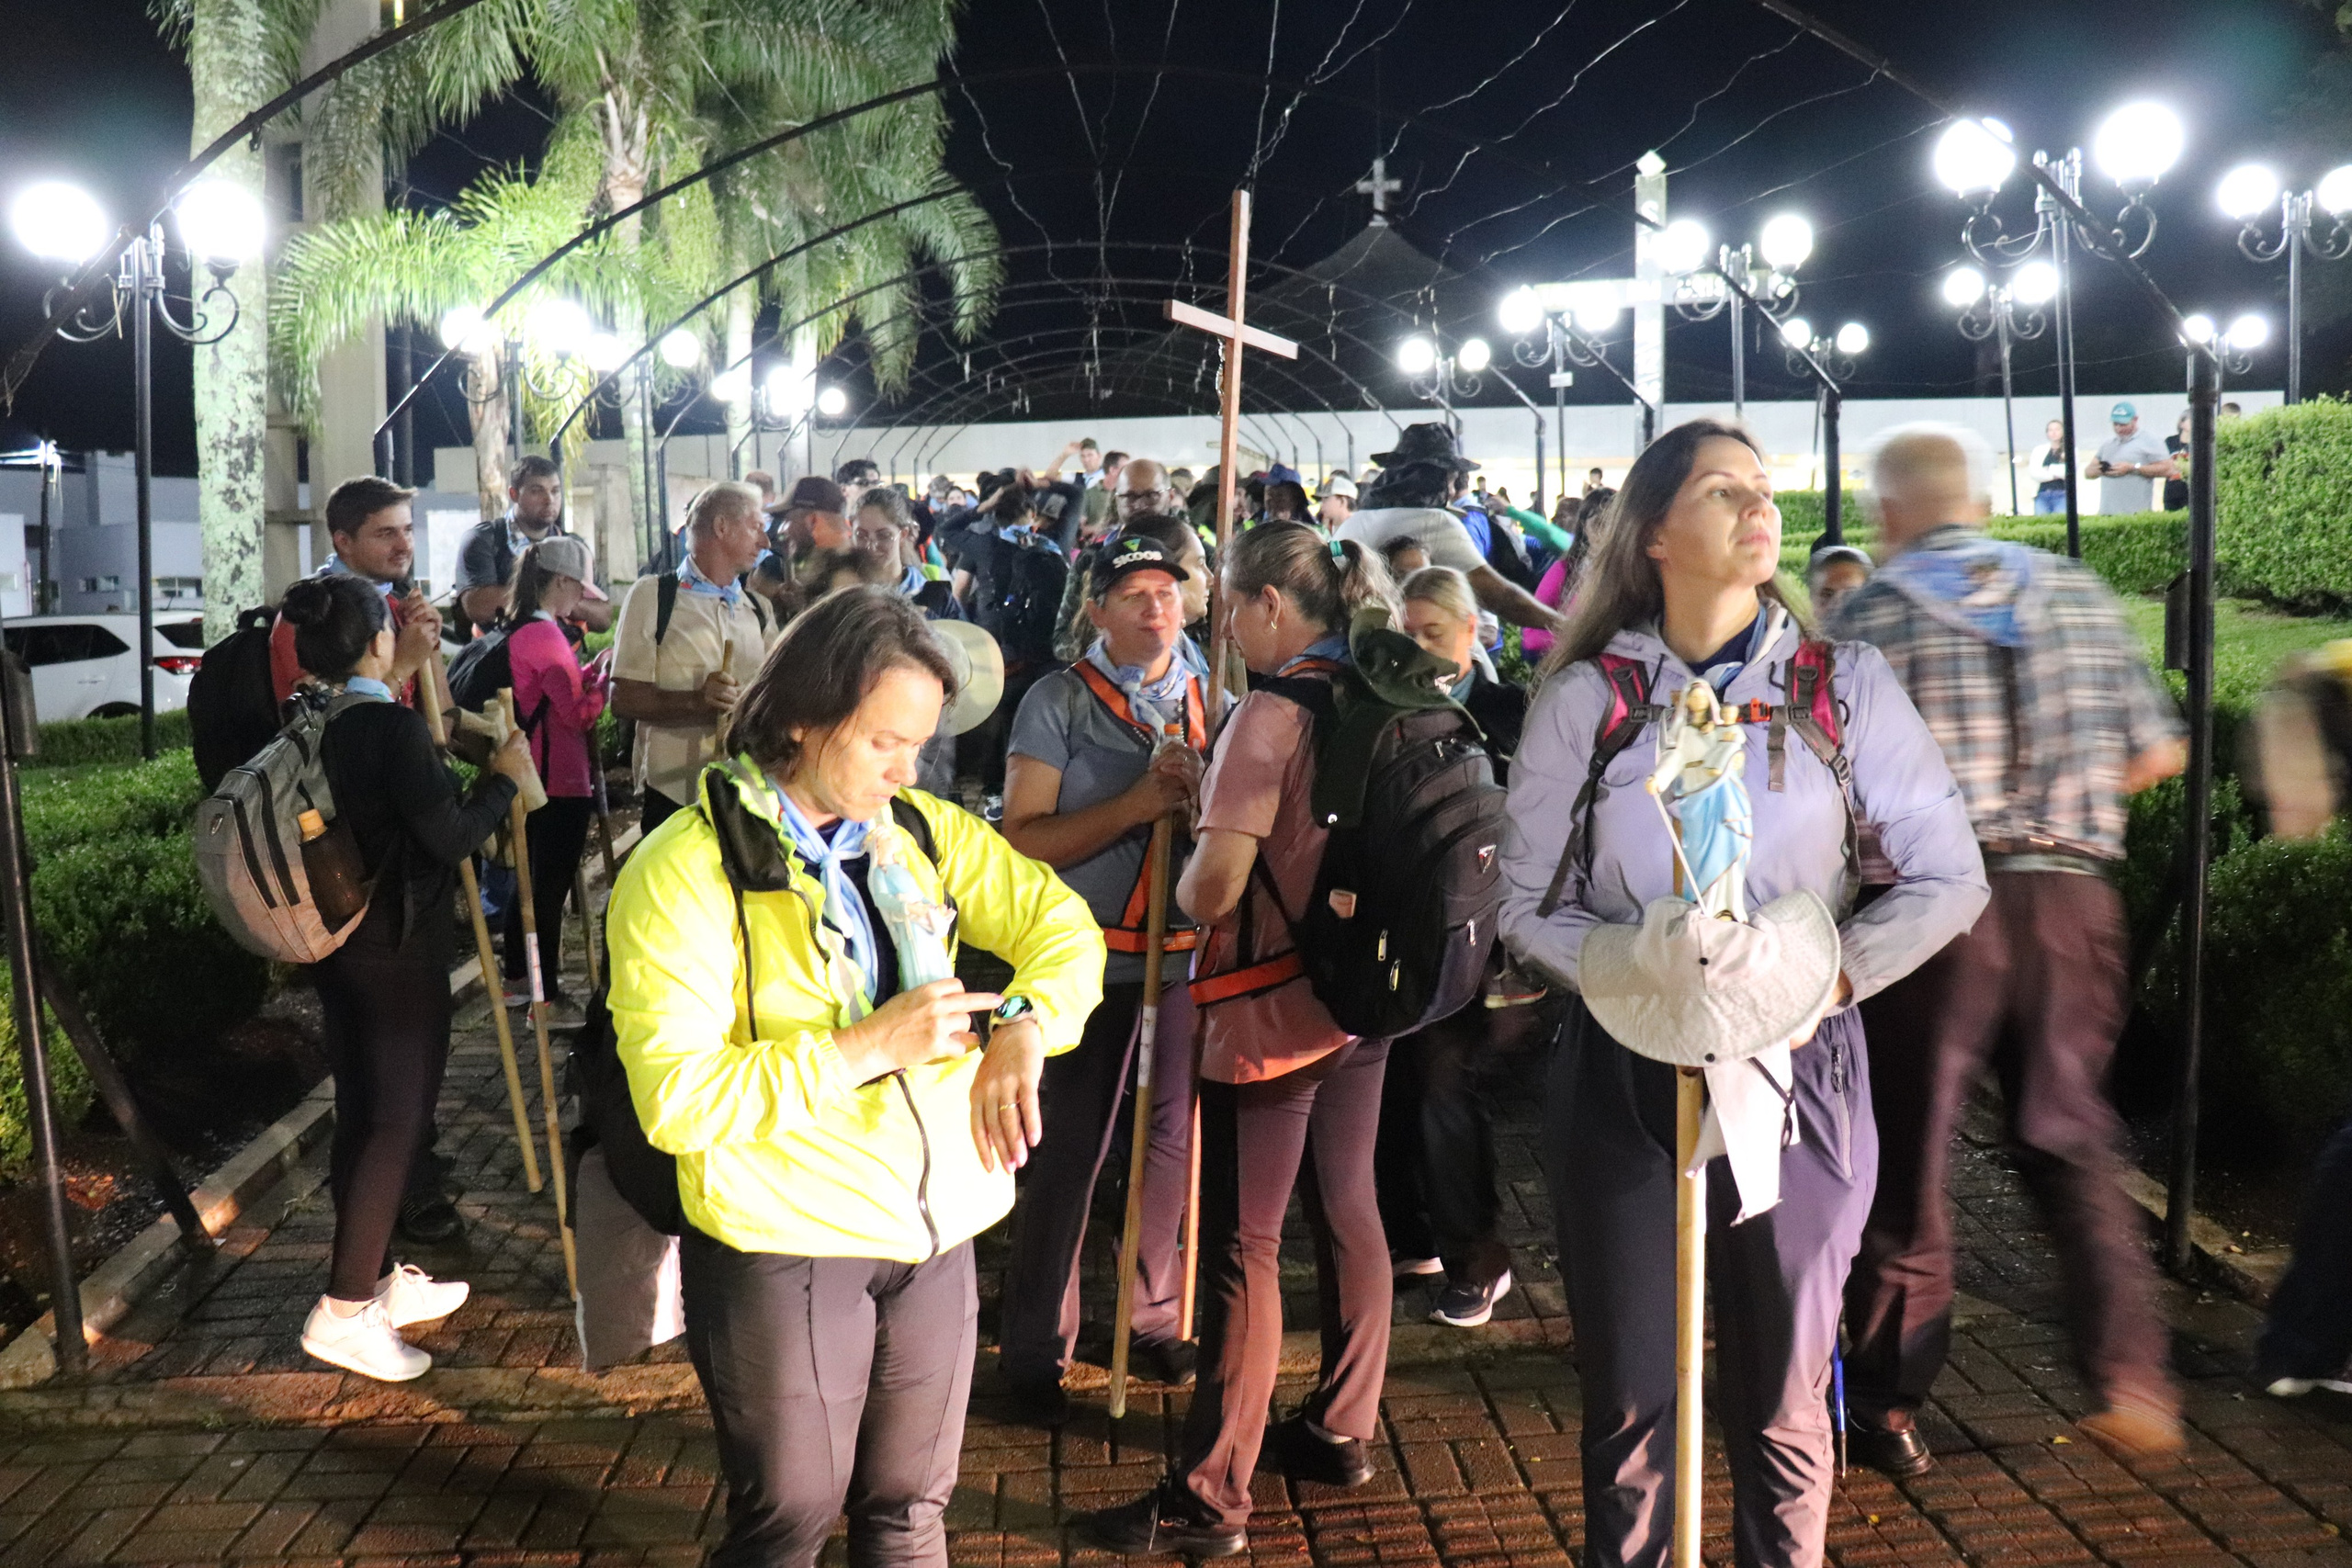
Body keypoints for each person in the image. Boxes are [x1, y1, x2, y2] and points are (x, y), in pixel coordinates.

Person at [1501, 419, 1986, 1568]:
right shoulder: (1590, 700)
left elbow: (1947, 873)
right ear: (1656, 533)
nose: (1758, 510)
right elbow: (1525, 903)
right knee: (1632, 1391)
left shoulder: (1841, 686)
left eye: (1763, 490)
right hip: (1626, 1063)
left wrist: (1828, 976)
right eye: (1723, 492)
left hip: (1799, 1070)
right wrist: (1632, 969)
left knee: (1781, 1391)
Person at [608, 586, 1101, 1568]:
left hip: (938, 1227)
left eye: (917, 744)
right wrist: (870, 1046)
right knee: (788, 1519)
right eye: (883, 741)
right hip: (782, 1234)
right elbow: (678, 1100)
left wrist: (1021, 1025)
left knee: (910, 1508)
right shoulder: (684, 871)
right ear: (801, 714)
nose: (908, 770)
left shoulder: (921, 830)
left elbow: (1060, 928)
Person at [1832, 424, 2190, 1467]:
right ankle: (2131, 1382)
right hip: (2073, 901)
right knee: (2069, 1139)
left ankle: (1887, 1403)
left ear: (1890, 512)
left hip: (1937, 915)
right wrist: (2061, 806)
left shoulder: (1874, 610)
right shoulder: (2074, 590)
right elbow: (2160, 750)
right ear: (1977, 501)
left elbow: (1836, 780)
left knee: (1908, 1152)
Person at [1087, 524, 1402, 1559]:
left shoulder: (1269, 714)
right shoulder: (1376, 689)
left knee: (1242, 1247)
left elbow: (1215, 886)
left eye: (1229, 604)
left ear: (1272, 605)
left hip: (1269, 1011)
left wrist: (1185, 864)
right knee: (1350, 1208)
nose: (1220, 624)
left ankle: (1211, 1491)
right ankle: (1343, 1428)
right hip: (1362, 993)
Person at [284, 574, 535, 1381]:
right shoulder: (388, 730)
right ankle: (345, 1310)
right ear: (379, 642)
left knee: (362, 1112)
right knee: (396, 1122)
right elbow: (450, 834)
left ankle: (372, 1282)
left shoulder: (310, 718)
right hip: (398, 945)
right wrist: (501, 776)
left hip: (336, 940)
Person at [1000, 532, 1207, 1422]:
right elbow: (1024, 836)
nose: (1155, 606)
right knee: (1067, 1151)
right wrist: (1134, 805)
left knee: (1167, 1144)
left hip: (1184, 959)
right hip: (1087, 965)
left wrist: (1201, 796)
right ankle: (1034, 1344)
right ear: (1096, 612)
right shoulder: (1058, 702)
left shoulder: (1212, 694)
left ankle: (1150, 1319)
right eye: (1133, 595)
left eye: (1167, 591)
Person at [270, 476, 467, 1246]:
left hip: (392, 876)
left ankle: (396, 1196)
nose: (403, 545)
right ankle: (388, 1218)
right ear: (343, 539)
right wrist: (399, 662)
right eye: (386, 532)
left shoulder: (390, 611)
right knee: (384, 1086)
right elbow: (339, 730)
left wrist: (420, 657)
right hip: (358, 886)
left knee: (389, 1079)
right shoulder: (314, 618)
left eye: (408, 530)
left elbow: (433, 728)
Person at [1376, 565, 1541, 1325]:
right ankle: (1412, 1236)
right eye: (1404, 633)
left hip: (1496, 937)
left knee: (1446, 1082)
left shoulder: (1512, 714)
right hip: (1411, 932)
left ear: (1473, 634)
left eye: (1431, 633)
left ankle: (1479, 1259)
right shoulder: (1384, 714)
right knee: (1398, 1082)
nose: (1416, 647)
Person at [611, 482, 774, 837]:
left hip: (745, 790)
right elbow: (623, 698)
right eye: (756, 528)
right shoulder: (653, 596)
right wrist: (697, 701)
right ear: (721, 528)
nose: (765, 542)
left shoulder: (759, 609)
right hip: (674, 794)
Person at [496, 536, 610, 1015]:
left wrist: (586, 674)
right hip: (557, 780)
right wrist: (605, 682)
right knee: (549, 887)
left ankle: (521, 979)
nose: (581, 598)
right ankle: (542, 991)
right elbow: (575, 716)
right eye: (578, 588)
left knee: (533, 881)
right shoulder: (545, 637)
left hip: (541, 775)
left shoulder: (529, 632)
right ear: (561, 581)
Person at [1339, 423, 1560, 631]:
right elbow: (1502, 598)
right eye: (1452, 481)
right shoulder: (1434, 522)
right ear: (1434, 479)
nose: (1453, 491)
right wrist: (1564, 626)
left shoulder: (1354, 522)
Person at [456, 456, 614, 636]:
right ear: (514, 494)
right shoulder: (484, 540)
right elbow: (477, 606)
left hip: (563, 657)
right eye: (537, 491)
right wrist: (559, 596)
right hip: (503, 658)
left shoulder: (575, 546)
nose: (549, 500)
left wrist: (545, 599)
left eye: (555, 491)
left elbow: (603, 617)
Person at [1521, 487, 1612, 661]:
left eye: (1613, 525)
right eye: (1599, 524)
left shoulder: (1633, 575)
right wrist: (1581, 641)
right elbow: (1531, 637)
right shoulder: (1567, 569)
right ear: (1584, 526)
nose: (1606, 533)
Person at [2084, 401, 2176, 515]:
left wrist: (2133, 468)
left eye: (2123, 425)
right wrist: (2098, 470)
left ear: (2135, 420)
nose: (2118, 429)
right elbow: (2088, 473)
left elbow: (2168, 469)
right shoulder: (2108, 444)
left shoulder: (2151, 441)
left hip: (2136, 514)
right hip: (2106, 514)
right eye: (2115, 424)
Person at [2030, 419, 2069, 515]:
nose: (2054, 432)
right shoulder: (2039, 450)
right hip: (2042, 494)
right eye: (2050, 430)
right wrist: (2055, 474)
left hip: (2062, 494)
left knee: (2061, 522)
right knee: (2041, 523)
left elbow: (2067, 472)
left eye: (2057, 429)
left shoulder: (2070, 450)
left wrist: (2049, 469)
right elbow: (2034, 473)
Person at [2164, 409, 2190, 511]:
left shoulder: (2201, 443)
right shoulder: (2170, 441)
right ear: (2182, 424)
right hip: (2172, 490)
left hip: (2190, 491)